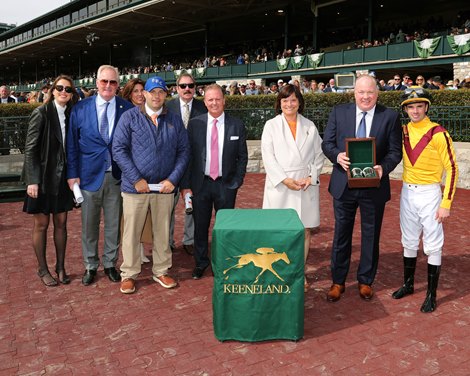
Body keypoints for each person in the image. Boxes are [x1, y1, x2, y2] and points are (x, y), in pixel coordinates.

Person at [321, 74, 402, 302]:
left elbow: (395, 151)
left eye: (370, 92)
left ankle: (366, 280)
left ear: (377, 93)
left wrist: (382, 169)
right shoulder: (339, 112)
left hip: (373, 187)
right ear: (354, 93)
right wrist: (337, 156)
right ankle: (338, 281)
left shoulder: (390, 116)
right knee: (341, 235)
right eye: (361, 92)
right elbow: (327, 142)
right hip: (343, 185)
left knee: (371, 235)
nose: (365, 96)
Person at [113, 76, 189, 294]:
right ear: (144, 94)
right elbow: (119, 149)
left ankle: (162, 270)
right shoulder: (129, 117)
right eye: (152, 91)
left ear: (166, 95)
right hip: (134, 188)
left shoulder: (174, 120)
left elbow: (184, 151)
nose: (157, 96)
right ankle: (129, 273)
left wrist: (173, 180)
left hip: (164, 188)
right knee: (131, 233)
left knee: (163, 232)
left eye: (161, 92)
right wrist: (136, 179)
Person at [392, 87, 458, 313]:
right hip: (408, 193)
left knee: (433, 244)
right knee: (408, 240)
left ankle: (431, 294)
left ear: (427, 107)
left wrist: (446, 203)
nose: (415, 110)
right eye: (411, 106)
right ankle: (408, 284)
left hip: (430, 193)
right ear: (406, 109)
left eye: (420, 105)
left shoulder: (438, 132)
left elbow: (452, 168)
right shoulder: (403, 131)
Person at [67, 65, 133, 286]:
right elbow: (72, 146)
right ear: (96, 83)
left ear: (118, 85)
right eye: (104, 81)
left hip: (117, 176)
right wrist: (72, 174)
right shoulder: (80, 108)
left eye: (112, 82)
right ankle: (90, 265)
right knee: (89, 224)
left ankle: (110, 264)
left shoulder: (126, 107)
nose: (108, 86)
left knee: (114, 224)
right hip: (88, 177)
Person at [261, 84, 324, 291]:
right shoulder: (271, 125)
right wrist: (284, 179)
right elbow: (268, 157)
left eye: (293, 100)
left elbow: (318, 155)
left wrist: (310, 177)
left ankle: (299, 273)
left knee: (304, 231)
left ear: (299, 103)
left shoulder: (310, 126)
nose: (289, 104)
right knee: (279, 232)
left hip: (305, 186)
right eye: (285, 100)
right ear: (279, 103)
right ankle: (279, 272)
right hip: (281, 186)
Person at [181, 84, 248, 279]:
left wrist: (237, 181)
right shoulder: (195, 124)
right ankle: (201, 263)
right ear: (205, 101)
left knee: (224, 228)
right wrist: (186, 186)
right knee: (200, 227)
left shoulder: (236, 124)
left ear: (224, 100)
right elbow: (188, 157)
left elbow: (242, 157)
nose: (214, 103)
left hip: (226, 185)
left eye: (218, 99)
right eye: (210, 99)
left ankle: (223, 263)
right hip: (200, 184)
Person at [22, 75, 79, 286]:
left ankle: (61, 267)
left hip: (62, 178)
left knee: (62, 223)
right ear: (53, 90)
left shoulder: (73, 114)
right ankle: (42, 269)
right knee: (42, 224)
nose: (64, 91)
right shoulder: (41, 113)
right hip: (43, 178)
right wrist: (32, 180)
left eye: (68, 89)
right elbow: (30, 148)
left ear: (72, 94)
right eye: (60, 88)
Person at [166, 72, 207, 256]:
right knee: (167, 206)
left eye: (190, 85)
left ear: (195, 87)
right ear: (176, 88)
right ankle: (166, 241)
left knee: (193, 204)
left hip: (196, 164)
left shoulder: (203, 107)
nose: (187, 89)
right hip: (170, 166)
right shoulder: (167, 107)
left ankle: (189, 240)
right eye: (183, 86)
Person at [121, 78, 151, 264]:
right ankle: (132, 256)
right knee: (130, 219)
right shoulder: (125, 115)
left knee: (144, 215)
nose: (140, 94)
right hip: (129, 174)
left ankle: (140, 250)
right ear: (129, 94)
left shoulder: (151, 112)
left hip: (147, 173)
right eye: (136, 91)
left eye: (142, 90)